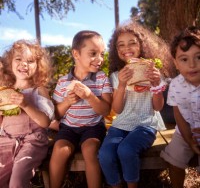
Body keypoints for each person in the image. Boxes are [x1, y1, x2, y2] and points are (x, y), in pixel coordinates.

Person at [98, 20, 176, 188]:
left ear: (142, 46)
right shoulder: (116, 76)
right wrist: (122, 85)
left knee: (126, 150)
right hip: (120, 124)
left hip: (145, 124)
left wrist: (155, 85)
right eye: (121, 45)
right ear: (116, 50)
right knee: (105, 153)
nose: (126, 48)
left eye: (132, 43)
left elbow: (158, 107)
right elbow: (117, 109)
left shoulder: (153, 72)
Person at [49, 30, 113, 188]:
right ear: (76, 54)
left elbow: (105, 110)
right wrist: (66, 102)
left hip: (93, 127)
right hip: (68, 128)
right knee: (59, 149)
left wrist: (90, 95)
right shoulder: (63, 82)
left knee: (90, 150)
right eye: (93, 53)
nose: (99, 59)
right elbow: (55, 114)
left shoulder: (101, 79)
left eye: (102, 54)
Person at [0, 40, 54, 188]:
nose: (24, 64)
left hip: (32, 141)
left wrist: (26, 104)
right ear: (10, 62)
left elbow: (45, 122)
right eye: (18, 59)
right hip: (6, 141)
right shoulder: (4, 91)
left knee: (17, 182)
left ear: (38, 66)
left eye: (30, 61)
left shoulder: (39, 90)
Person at [160, 26, 200, 188]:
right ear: (176, 63)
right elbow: (179, 115)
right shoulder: (176, 85)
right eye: (184, 59)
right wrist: (189, 140)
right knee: (174, 159)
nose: (192, 64)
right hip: (184, 131)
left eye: (198, 57)